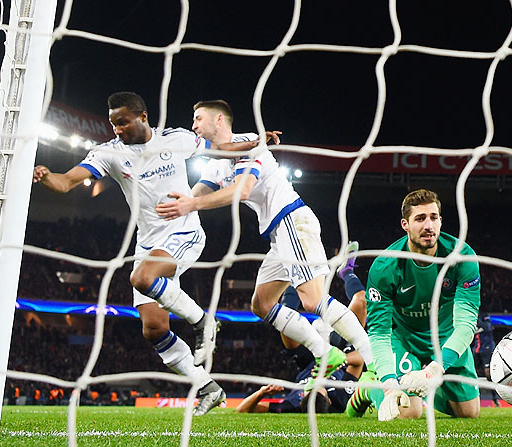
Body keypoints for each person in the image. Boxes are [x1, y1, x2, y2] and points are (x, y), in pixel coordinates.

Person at [32, 92, 268, 415]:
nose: (117, 129)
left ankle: (203, 322)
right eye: (113, 123)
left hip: (184, 232)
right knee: (153, 329)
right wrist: (47, 178)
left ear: (142, 118)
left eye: (123, 122)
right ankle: (207, 387)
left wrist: (256, 143)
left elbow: (220, 150)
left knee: (142, 277)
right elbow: (68, 182)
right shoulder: (109, 154)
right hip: (148, 242)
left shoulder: (176, 139)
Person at [157, 100, 374, 390]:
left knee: (312, 300)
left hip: (292, 221)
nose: (193, 125)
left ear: (219, 119)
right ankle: (327, 354)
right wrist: (174, 206)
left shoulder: (247, 142)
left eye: (198, 118)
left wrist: (191, 204)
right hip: (277, 234)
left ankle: (376, 363)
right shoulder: (215, 161)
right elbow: (197, 194)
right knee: (262, 304)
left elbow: (242, 189)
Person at [347, 189, 481, 421]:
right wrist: (389, 383)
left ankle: (425, 387)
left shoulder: (462, 257)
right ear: (405, 224)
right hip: (405, 338)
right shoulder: (384, 267)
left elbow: (467, 324)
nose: (428, 225)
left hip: (446, 338)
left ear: (440, 220)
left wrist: (435, 369)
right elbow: (379, 333)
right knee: (409, 411)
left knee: (469, 413)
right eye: (420, 219)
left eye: (433, 217)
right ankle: (368, 388)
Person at [235, 350, 365, 414]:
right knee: (358, 305)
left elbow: (242, 410)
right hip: (337, 352)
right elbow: (359, 359)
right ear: (329, 400)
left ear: (303, 397)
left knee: (287, 333)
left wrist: (262, 392)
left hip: (307, 360)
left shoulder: (292, 405)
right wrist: (339, 360)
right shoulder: (341, 400)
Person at [472, 311, 500, 407]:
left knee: (489, 375)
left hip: (487, 349)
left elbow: (488, 328)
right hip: (477, 350)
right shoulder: (470, 321)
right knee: (474, 374)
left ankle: (495, 398)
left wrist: (476, 320)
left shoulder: (484, 316)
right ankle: (477, 399)